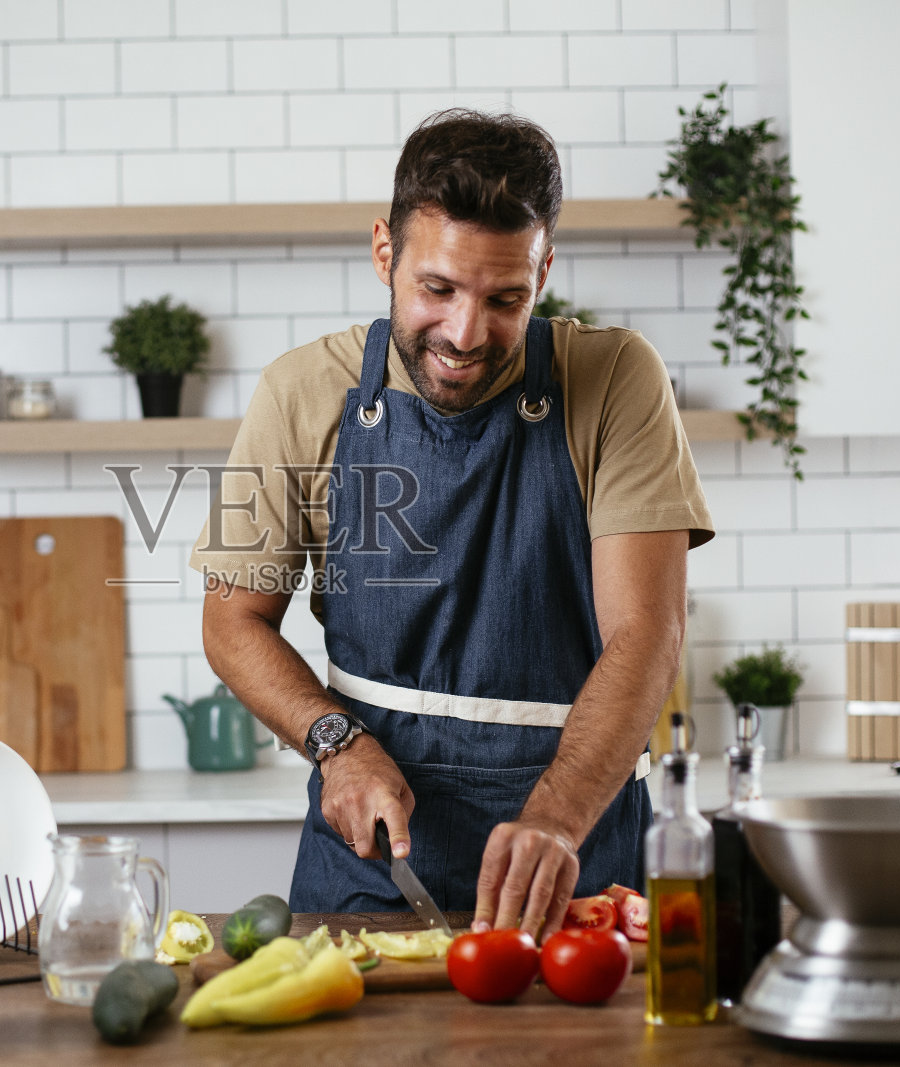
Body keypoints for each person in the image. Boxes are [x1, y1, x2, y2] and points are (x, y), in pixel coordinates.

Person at [189, 109, 714, 941]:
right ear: (384, 254)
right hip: (370, 870)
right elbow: (231, 620)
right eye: (438, 289)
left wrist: (556, 821)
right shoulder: (301, 393)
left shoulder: (617, 381)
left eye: (505, 297)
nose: (465, 335)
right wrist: (336, 743)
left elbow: (647, 631)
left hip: (582, 865)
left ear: (544, 272)